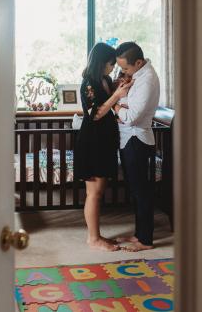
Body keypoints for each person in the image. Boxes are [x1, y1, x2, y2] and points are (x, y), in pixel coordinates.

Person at [74, 43, 133, 251]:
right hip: (92, 142)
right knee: (94, 193)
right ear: (102, 62)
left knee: (99, 191)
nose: (112, 68)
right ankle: (93, 238)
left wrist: (118, 87)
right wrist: (116, 96)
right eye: (111, 64)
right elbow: (95, 114)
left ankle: (97, 235)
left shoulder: (105, 79)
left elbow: (109, 104)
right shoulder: (88, 83)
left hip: (105, 142)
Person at [112, 42, 160, 251]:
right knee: (136, 189)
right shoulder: (139, 77)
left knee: (141, 191)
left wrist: (115, 105)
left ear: (138, 62)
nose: (123, 72)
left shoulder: (147, 80)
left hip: (137, 140)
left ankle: (146, 240)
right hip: (130, 138)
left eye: (125, 68)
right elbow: (129, 108)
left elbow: (131, 117)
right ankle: (140, 233)